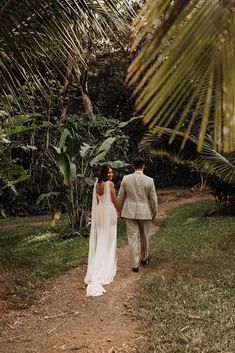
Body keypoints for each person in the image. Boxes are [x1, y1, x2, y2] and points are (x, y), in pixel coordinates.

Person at [84, 164, 120, 297]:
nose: (111, 174)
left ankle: (98, 261)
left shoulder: (96, 184)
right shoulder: (109, 184)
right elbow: (114, 200)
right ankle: (107, 263)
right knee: (109, 237)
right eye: (109, 172)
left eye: (111, 172)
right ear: (105, 173)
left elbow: (98, 200)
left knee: (101, 237)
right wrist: (120, 209)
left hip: (99, 211)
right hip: (108, 211)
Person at [118, 157, 158, 272]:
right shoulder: (149, 180)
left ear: (132, 166)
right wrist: (154, 213)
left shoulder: (126, 179)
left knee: (132, 238)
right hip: (145, 212)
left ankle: (135, 265)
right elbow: (153, 200)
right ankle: (144, 259)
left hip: (129, 212)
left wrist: (118, 210)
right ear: (143, 166)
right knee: (144, 236)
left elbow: (120, 196)